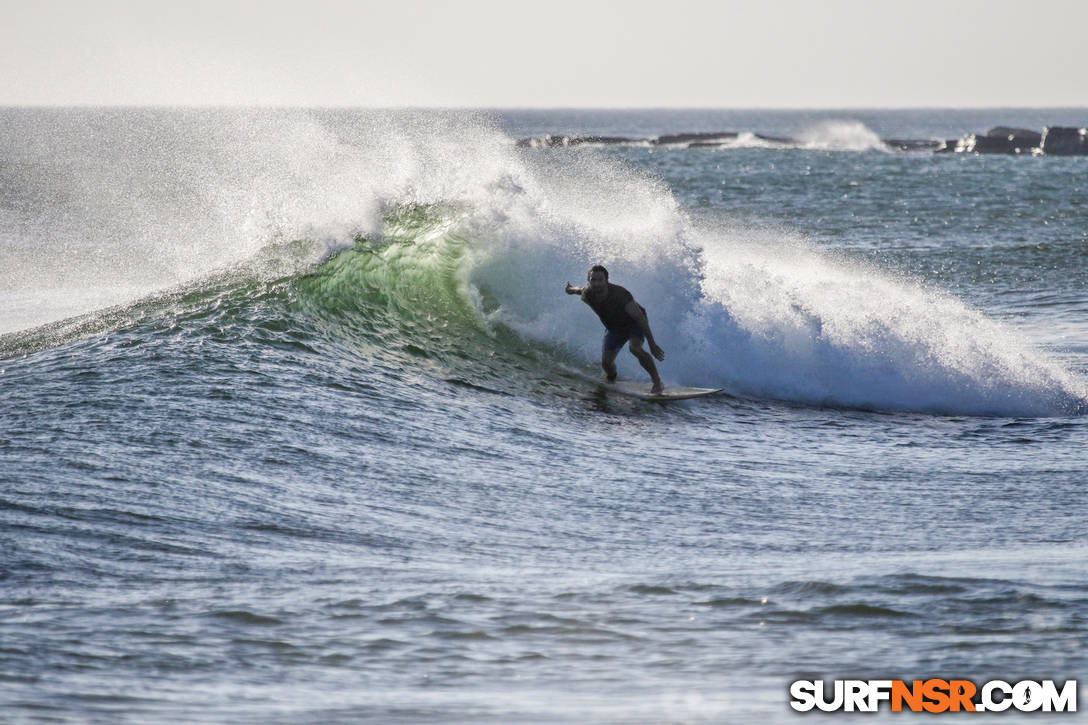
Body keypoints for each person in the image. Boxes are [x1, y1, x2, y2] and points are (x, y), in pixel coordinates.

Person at [565, 265, 666, 394]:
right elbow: (579, 290)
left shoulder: (620, 295)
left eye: (600, 280)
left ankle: (657, 382)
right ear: (589, 281)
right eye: (593, 280)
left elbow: (640, 318)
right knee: (606, 364)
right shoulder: (588, 293)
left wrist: (652, 344)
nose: (596, 283)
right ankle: (611, 379)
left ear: (607, 280)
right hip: (614, 328)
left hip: (634, 324)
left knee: (635, 348)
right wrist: (570, 289)